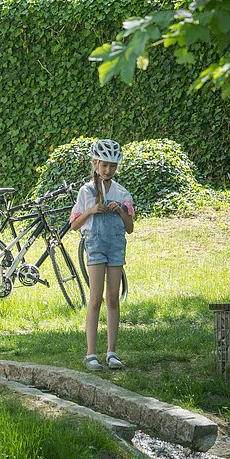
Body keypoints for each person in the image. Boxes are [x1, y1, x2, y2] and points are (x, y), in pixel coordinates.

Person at [70, 139, 134, 370]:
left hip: (115, 246)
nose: (108, 170)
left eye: (113, 166)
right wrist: (91, 210)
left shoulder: (122, 193)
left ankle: (112, 352)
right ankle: (91, 353)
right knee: (95, 298)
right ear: (96, 163)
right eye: (104, 165)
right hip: (95, 246)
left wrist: (121, 211)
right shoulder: (85, 191)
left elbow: (130, 227)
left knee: (113, 297)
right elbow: (74, 225)